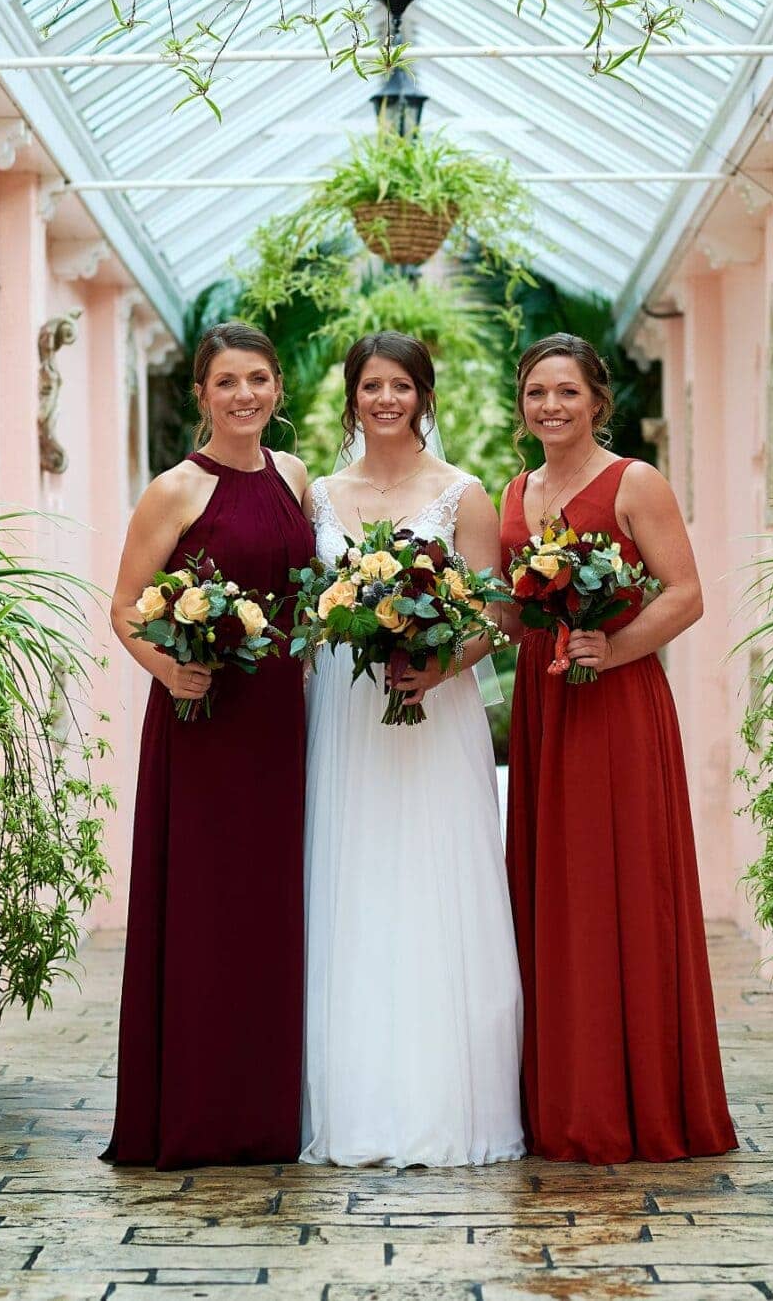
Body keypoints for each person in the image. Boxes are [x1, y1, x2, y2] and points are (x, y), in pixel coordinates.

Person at [499, 332, 737, 1164]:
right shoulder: (514, 487)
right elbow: (510, 612)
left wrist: (617, 646)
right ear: (521, 404)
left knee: (621, 885)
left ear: (598, 399)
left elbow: (688, 592)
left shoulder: (635, 481)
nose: (551, 407)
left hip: (616, 703)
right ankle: (559, 1097)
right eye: (536, 393)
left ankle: (632, 1101)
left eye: (566, 392)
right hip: (542, 704)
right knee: (552, 891)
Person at [299, 332, 524, 1168]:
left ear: (425, 395)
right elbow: (307, 607)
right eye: (370, 386)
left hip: (435, 710)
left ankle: (445, 1105)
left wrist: (434, 665)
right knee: (352, 885)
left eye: (400, 385)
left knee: (436, 885)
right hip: (348, 713)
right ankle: (355, 1107)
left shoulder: (463, 492)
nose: (385, 399)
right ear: (351, 396)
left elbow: (494, 617)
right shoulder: (320, 495)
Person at [103, 322, 315, 1168]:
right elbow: (125, 606)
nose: (244, 396)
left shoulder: (295, 476)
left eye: (258, 379)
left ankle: (264, 1116)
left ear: (278, 389)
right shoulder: (174, 490)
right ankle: (194, 1113)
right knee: (203, 911)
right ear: (200, 395)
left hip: (279, 723)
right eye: (226, 382)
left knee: (269, 912)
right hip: (202, 723)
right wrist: (167, 670)